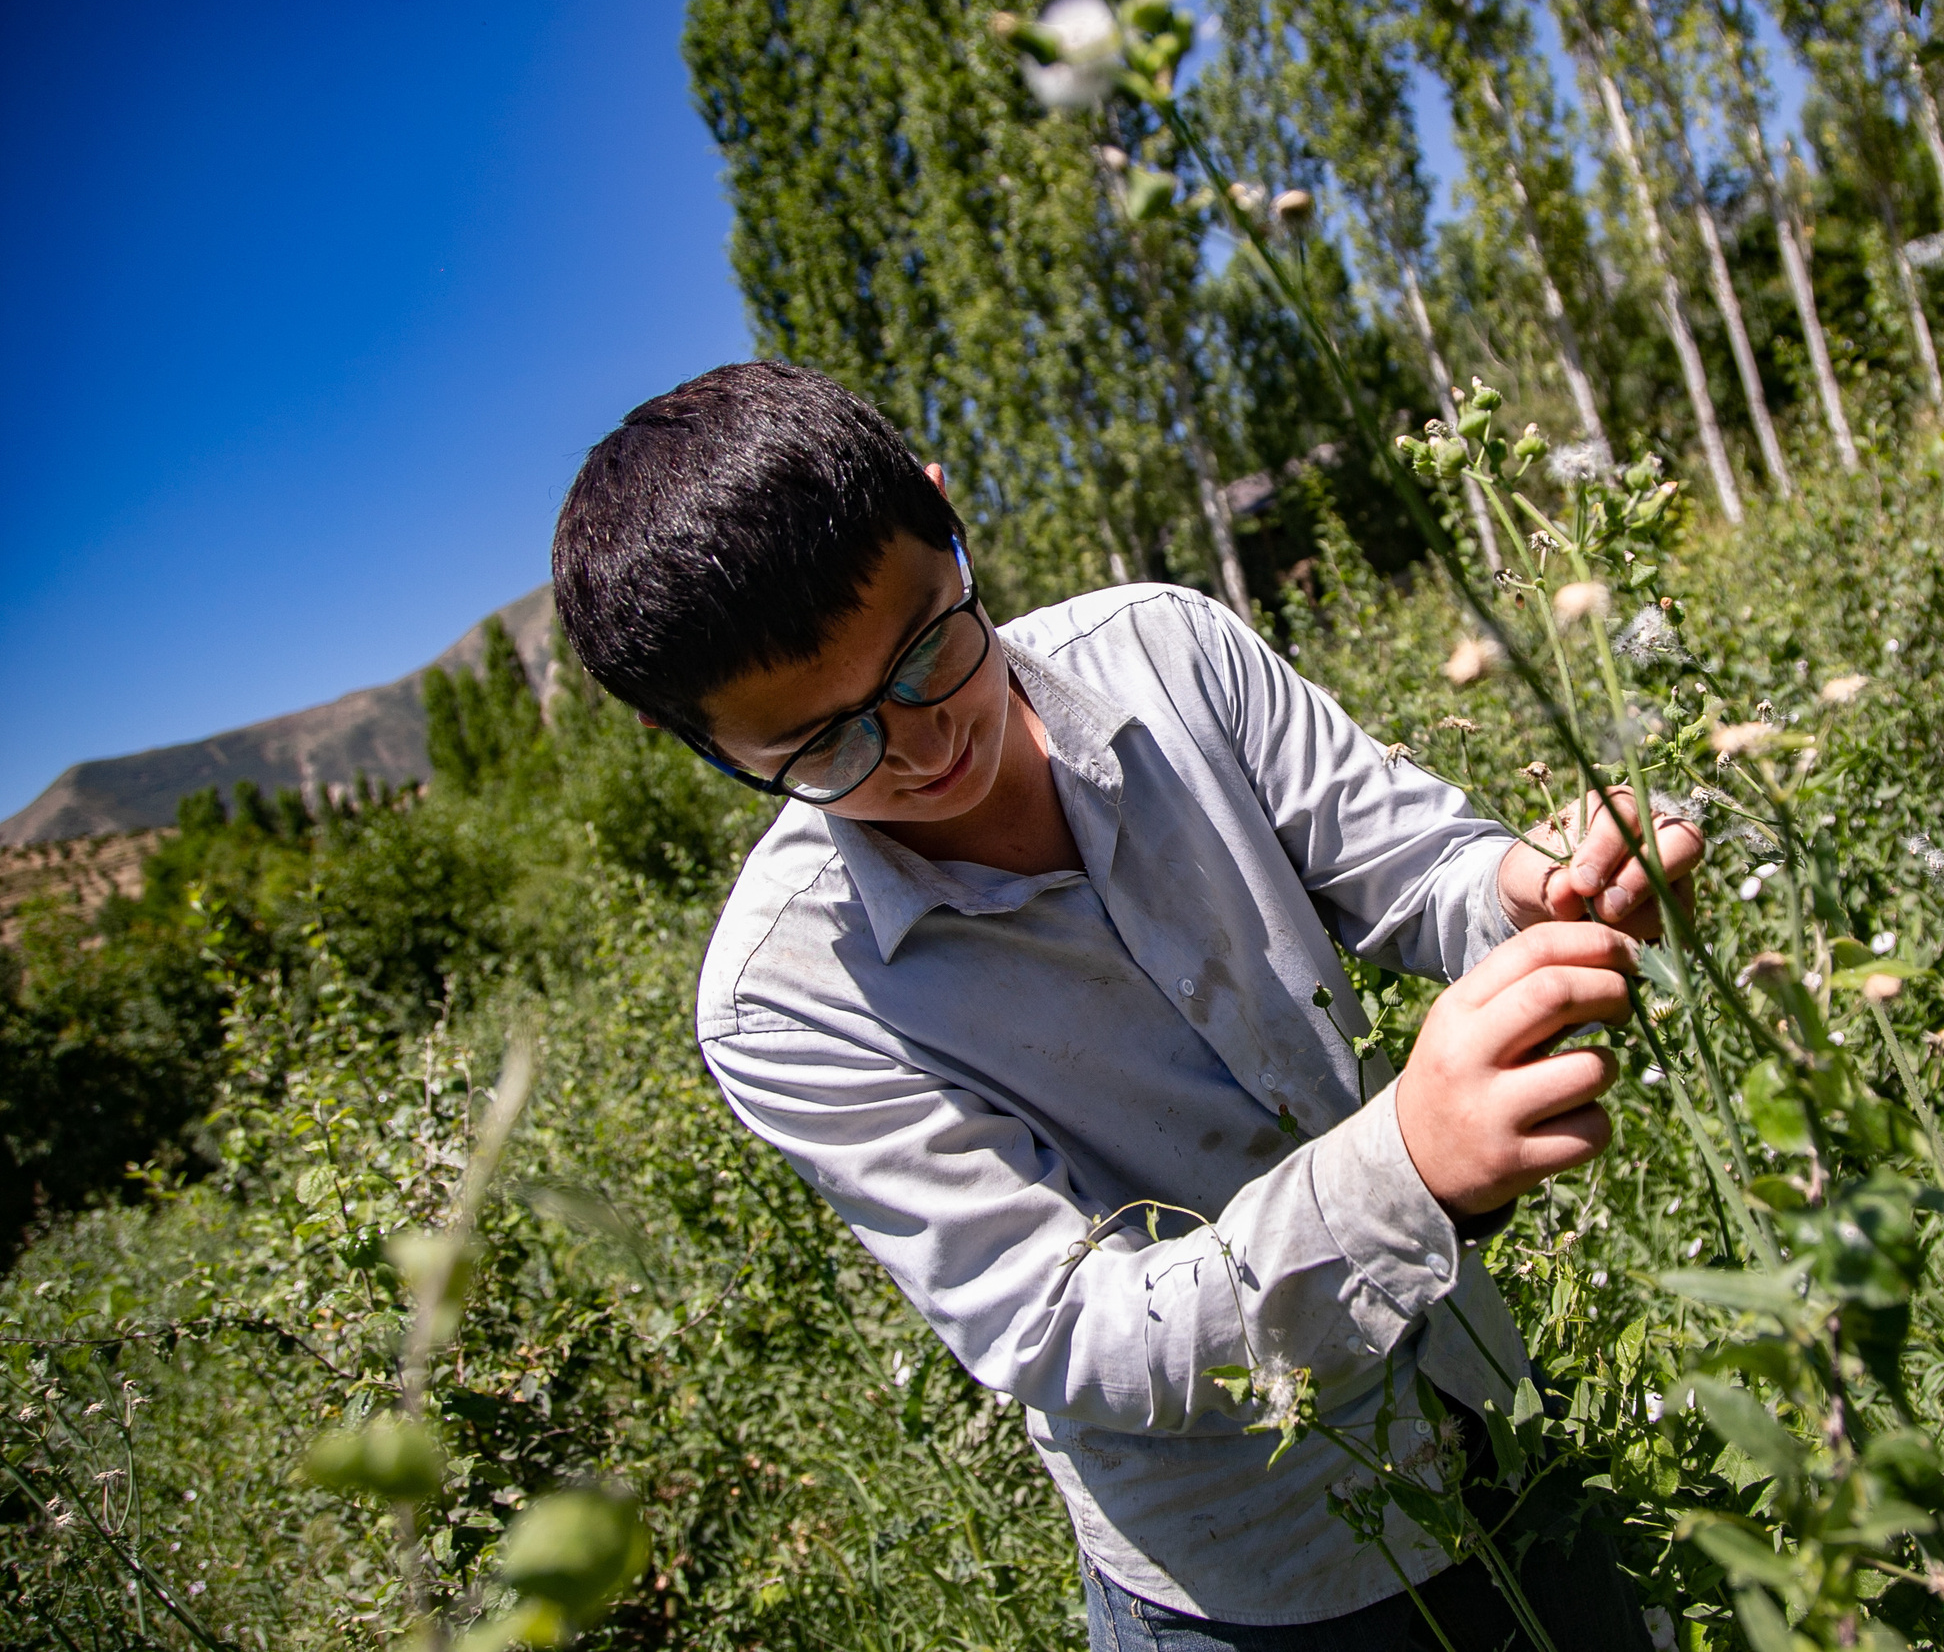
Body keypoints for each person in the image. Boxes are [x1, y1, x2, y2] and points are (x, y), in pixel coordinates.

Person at [549, 361, 1703, 1647]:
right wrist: (1404, 1170)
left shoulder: (1169, 650)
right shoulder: (786, 999)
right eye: (824, 745)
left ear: (944, 512)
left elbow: (1414, 869)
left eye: (928, 650)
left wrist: (1532, 885)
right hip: (1259, 1577)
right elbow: (1066, 1326)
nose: (925, 747)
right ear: (699, 743)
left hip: (1493, 1413)